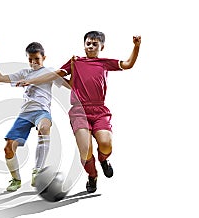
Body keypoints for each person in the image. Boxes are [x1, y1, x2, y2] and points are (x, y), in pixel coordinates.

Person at [16, 31, 141, 193]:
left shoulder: (104, 63)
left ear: (101, 47)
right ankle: (92, 175)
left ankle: (103, 160)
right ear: (84, 45)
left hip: (99, 110)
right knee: (85, 150)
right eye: (88, 43)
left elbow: (128, 64)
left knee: (105, 143)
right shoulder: (75, 62)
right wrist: (30, 81)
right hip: (79, 111)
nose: (91, 46)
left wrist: (136, 47)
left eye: (95, 44)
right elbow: (54, 75)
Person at [0, 42, 68, 191]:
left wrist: (76, 69)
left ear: (44, 57)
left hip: (42, 111)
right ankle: (15, 180)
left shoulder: (50, 72)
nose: (33, 62)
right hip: (25, 114)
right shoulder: (24, 73)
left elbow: (72, 85)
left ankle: (37, 171)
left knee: (44, 127)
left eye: (36, 58)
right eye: (30, 59)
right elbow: (0, 78)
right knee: (8, 148)